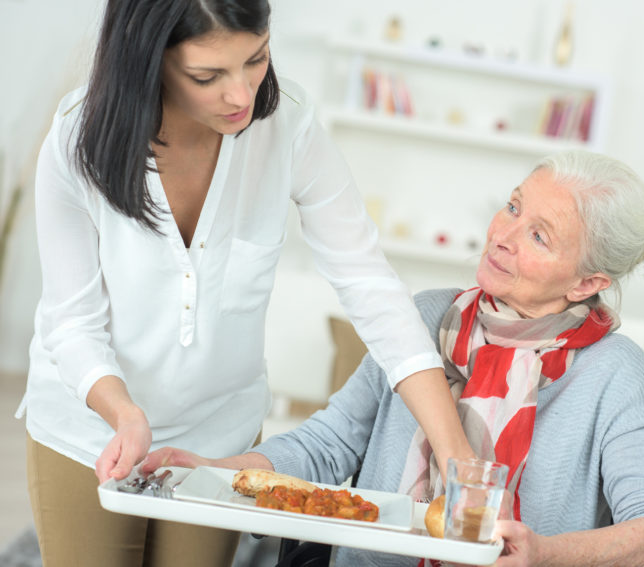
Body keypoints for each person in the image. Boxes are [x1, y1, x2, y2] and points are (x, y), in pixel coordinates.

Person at [18, 1, 474, 565]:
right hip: (89, 431)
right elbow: (71, 320)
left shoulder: (290, 128)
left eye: (255, 60)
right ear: (149, 59)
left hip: (220, 439)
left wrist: (453, 449)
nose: (242, 96)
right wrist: (124, 414)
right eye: (208, 76)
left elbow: (369, 283)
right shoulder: (76, 138)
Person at [146, 150, 644, 567]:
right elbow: (328, 445)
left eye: (538, 235)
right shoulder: (424, 318)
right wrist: (213, 472)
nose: (502, 236)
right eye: (513, 207)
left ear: (587, 283)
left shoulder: (614, 371)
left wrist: (544, 553)